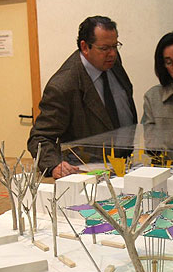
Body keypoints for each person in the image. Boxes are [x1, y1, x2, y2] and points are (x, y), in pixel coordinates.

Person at [27, 16, 137, 178]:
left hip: (124, 164)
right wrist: (54, 165)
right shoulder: (63, 86)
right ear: (85, 47)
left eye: (115, 46)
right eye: (105, 48)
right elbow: (40, 137)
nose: (113, 54)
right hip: (88, 172)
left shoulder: (112, 62)